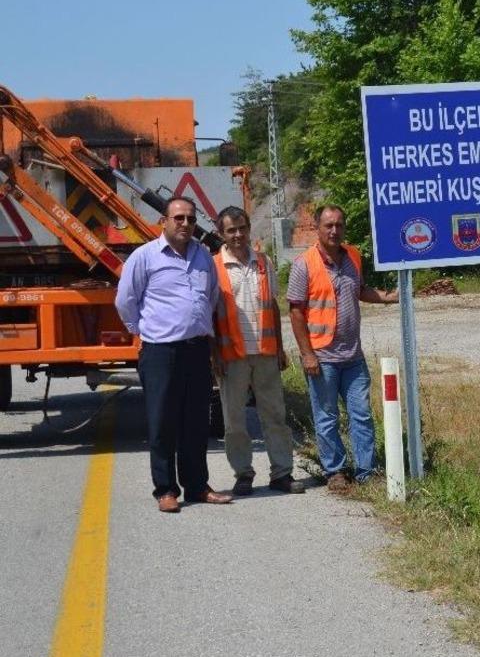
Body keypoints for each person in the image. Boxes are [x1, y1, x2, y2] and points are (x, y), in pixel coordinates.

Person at [115, 196, 233, 512]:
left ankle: (196, 486)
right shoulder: (144, 257)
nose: (185, 224)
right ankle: (166, 489)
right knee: (162, 422)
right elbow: (126, 300)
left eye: (191, 219)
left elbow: (210, 297)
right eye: (178, 218)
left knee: (196, 423)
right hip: (160, 352)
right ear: (163, 222)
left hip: (196, 350)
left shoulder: (204, 258)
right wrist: (146, 330)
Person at [287, 205, 398, 492]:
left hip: (353, 356)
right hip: (321, 357)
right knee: (327, 418)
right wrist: (307, 353)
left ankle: (366, 471)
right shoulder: (304, 264)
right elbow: (296, 312)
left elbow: (359, 290)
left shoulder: (353, 256)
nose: (334, 230)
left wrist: (389, 298)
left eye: (339, 225)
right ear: (317, 228)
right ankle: (334, 471)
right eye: (328, 225)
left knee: (361, 414)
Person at [211, 206, 304, 496]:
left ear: (249, 228)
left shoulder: (264, 263)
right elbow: (209, 314)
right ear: (221, 234)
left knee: (274, 415)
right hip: (232, 357)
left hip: (265, 352)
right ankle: (243, 474)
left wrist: (279, 347)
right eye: (231, 230)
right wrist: (214, 355)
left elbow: (273, 306)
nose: (238, 235)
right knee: (235, 421)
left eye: (242, 228)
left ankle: (282, 473)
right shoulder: (213, 267)